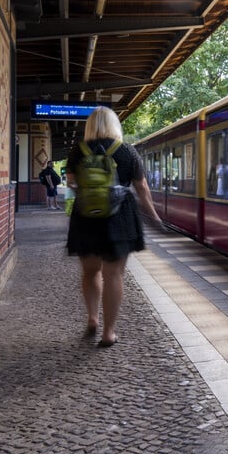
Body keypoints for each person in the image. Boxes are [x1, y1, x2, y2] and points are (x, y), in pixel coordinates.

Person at [65, 106, 165, 348]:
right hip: (119, 218)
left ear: (90, 126)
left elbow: (71, 183)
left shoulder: (77, 151)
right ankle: (109, 332)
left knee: (90, 272)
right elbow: (141, 188)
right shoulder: (127, 151)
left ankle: (92, 318)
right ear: (114, 125)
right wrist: (154, 217)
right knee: (114, 275)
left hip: (86, 217)